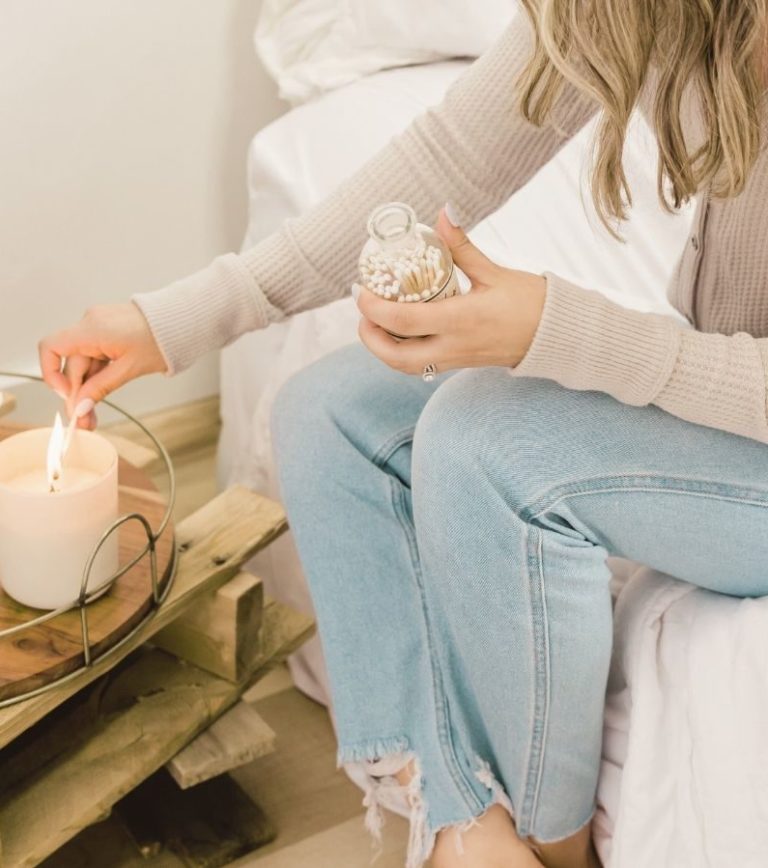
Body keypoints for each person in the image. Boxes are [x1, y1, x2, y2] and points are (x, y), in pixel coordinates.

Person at [38, 2, 768, 866]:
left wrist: (560, 329)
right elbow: (453, 154)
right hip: (723, 391)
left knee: (490, 440)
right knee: (330, 411)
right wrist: (175, 322)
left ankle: (556, 852)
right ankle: (463, 822)